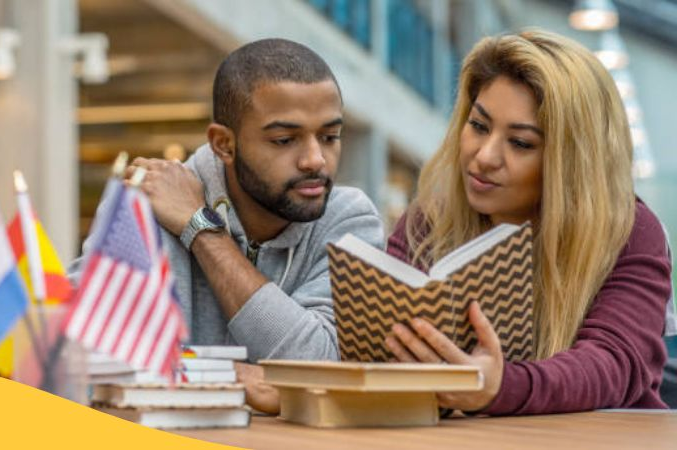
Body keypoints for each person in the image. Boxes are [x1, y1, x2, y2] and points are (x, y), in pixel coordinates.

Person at [71, 39, 383, 400]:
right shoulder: (150, 203)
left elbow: (323, 368)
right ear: (223, 144)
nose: (316, 159)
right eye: (284, 140)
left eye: (330, 136)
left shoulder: (350, 220)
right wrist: (237, 377)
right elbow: (79, 352)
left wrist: (200, 230)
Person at [385, 29, 674, 415]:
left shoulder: (629, 230)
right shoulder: (430, 222)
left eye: (520, 143)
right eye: (479, 125)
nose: (485, 156)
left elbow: (612, 363)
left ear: (572, 164)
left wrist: (499, 387)